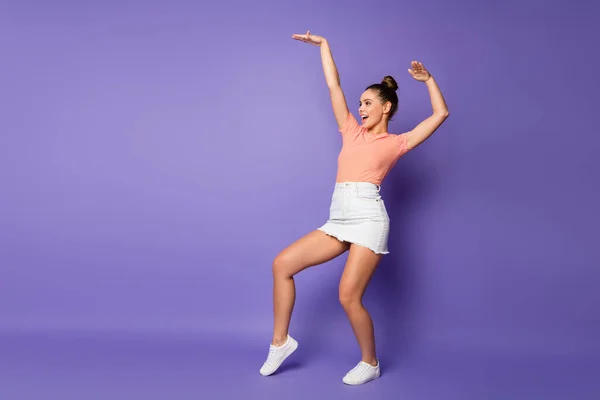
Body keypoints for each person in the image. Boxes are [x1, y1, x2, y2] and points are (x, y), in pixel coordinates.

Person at [259, 30, 449, 385]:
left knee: (348, 295)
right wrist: (324, 46)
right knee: (282, 264)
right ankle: (280, 342)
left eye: (367, 103)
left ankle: (370, 362)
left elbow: (440, 114)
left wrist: (429, 80)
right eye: (359, 103)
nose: (360, 108)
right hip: (340, 217)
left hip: (368, 219)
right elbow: (334, 87)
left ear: (386, 107)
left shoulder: (398, 143)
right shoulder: (350, 131)